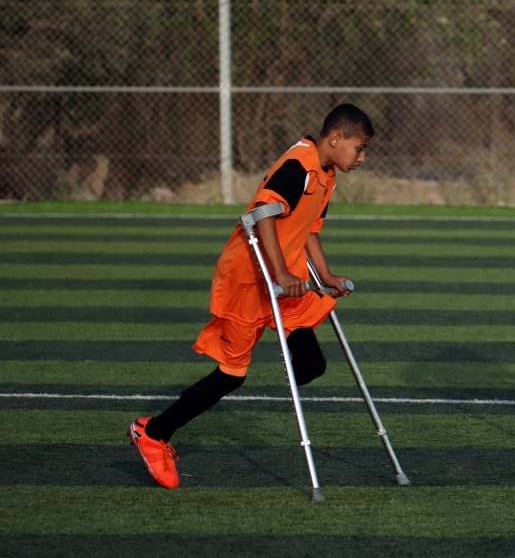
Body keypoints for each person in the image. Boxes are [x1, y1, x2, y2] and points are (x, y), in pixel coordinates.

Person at [127, 103, 374, 488]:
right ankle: (154, 433)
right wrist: (279, 272)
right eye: (359, 148)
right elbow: (262, 216)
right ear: (336, 138)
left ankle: (159, 430)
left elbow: (308, 226)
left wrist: (324, 275)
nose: (362, 157)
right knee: (231, 376)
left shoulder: (326, 174)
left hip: (284, 282)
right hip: (248, 279)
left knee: (310, 365)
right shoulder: (298, 165)